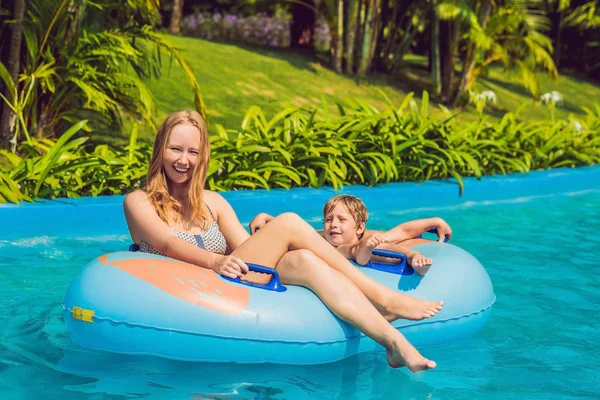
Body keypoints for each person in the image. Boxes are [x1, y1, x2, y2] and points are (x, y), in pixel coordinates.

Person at [123, 110, 442, 372]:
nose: (183, 160)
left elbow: (243, 244)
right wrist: (216, 260)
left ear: (202, 156)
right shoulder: (139, 202)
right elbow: (166, 244)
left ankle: (393, 343)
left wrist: (276, 241)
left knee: (302, 259)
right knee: (289, 222)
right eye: (175, 149)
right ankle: (383, 298)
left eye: (192, 151)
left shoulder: (213, 202)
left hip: (231, 278)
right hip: (194, 286)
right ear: (160, 150)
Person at [250, 195, 452, 275]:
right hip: (359, 243)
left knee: (385, 238)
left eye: (341, 220)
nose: (333, 225)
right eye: (329, 219)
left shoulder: (361, 242)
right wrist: (267, 218)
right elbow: (292, 229)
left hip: (362, 245)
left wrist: (413, 256)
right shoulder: (323, 236)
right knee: (387, 236)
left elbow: (393, 241)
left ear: (359, 226)